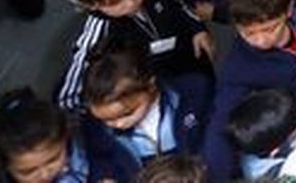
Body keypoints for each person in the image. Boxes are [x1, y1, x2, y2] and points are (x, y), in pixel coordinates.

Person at [204, 0, 296, 180]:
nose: (261, 40)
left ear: (288, 9)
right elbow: (220, 127)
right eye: (248, 32)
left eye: (270, 28)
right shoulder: (238, 71)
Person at [56, 0, 213, 111]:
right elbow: (71, 91)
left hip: (191, 63)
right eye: (117, 1)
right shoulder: (98, 29)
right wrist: (102, 110)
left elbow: (180, 3)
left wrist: (198, 28)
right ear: (92, 4)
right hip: (152, 93)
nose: (131, 2)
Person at [81, 42, 211, 167]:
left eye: (127, 114)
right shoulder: (95, 128)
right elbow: (100, 160)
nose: (118, 124)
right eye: (105, 120)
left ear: (150, 86)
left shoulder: (192, 96)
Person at [0, 88, 134, 183]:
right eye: (28, 172)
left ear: (65, 139)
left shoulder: (97, 145)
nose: (45, 175)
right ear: (6, 167)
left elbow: (125, 164)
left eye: (53, 159)